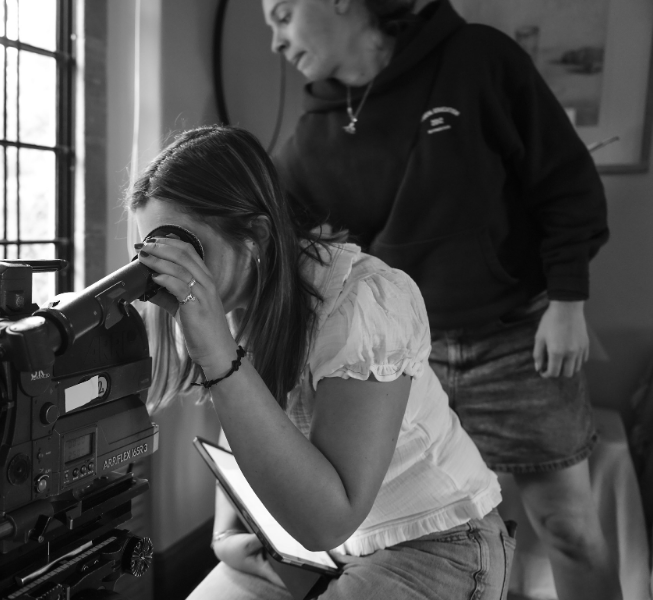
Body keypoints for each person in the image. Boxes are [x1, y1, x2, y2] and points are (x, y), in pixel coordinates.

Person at [262, 0, 620, 599]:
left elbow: (566, 184)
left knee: (568, 529)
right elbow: (265, 219)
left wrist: (568, 302)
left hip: (515, 340)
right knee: (449, 543)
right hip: (406, 364)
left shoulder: (478, 58)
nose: (274, 40)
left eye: (281, 14)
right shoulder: (315, 132)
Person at [128, 125, 513, 599]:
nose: (174, 272)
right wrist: (228, 531)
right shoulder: (236, 301)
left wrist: (217, 354)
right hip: (325, 550)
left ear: (256, 234)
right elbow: (247, 424)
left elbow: (329, 519)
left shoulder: (363, 302)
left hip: (436, 542)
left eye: (188, 251)